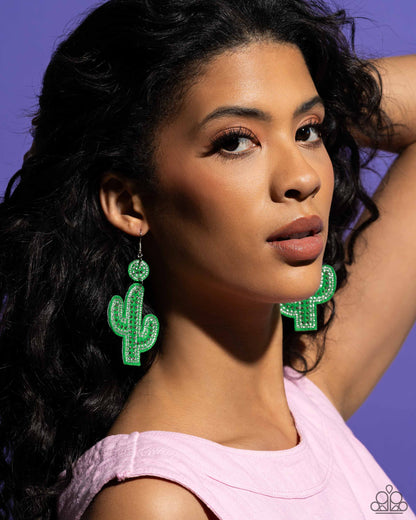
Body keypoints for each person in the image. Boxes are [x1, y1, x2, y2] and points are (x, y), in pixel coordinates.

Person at [0, 0, 415, 518]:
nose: (303, 177)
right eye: (235, 141)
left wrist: (321, 96)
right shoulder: (155, 501)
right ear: (129, 203)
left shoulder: (308, 404)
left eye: (308, 131)